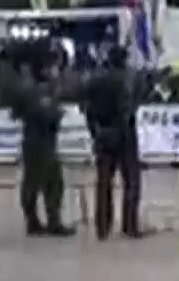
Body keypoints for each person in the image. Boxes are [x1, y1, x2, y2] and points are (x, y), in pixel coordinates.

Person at [82, 45, 146, 240]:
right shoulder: (126, 81)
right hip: (124, 136)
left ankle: (102, 227)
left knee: (103, 183)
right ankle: (130, 225)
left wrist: (95, 133)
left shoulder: (95, 80)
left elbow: (87, 110)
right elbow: (127, 109)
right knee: (132, 182)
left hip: (102, 135)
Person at [11, 49, 72, 238]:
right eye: (52, 67)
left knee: (43, 182)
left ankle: (41, 221)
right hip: (40, 142)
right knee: (44, 182)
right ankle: (44, 221)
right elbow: (45, 114)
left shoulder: (31, 88)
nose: (55, 70)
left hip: (38, 141)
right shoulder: (37, 91)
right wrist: (57, 113)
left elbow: (17, 112)